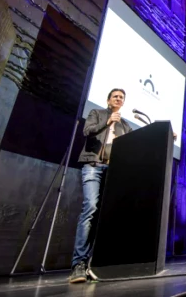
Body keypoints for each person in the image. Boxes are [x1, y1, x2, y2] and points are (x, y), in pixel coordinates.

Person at [69, 88, 132, 284]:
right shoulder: (97, 114)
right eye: (115, 96)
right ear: (108, 100)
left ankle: (97, 263)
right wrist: (107, 122)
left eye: (121, 97)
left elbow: (135, 144)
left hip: (113, 171)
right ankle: (78, 264)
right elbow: (87, 131)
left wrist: (164, 135)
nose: (118, 99)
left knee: (106, 215)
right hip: (93, 166)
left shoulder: (125, 125)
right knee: (91, 208)